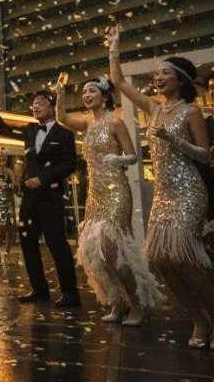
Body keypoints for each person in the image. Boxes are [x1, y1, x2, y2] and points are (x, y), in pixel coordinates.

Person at [108, 27, 214, 348]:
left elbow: (205, 156)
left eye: (165, 72)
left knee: (187, 258)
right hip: (163, 194)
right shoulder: (154, 108)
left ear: (180, 79)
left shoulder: (190, 111)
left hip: (189, 192)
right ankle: (198, 319)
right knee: (161, 258)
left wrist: (176, 140)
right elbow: (120, 83)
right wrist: (114, 48)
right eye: (157, 73)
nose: (158, 77)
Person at [55, 74, 163, 325]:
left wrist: (119, 160)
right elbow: (62, 118)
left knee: (114, 249)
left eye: (92, 90)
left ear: (104, 96)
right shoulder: (87, 124)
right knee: (97, 252)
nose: (86, 95)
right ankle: (119, 301)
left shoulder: (115, 123)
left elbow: (133, 156)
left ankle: (138, 304)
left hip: (116, 192)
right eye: (83, 92)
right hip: (95, 193)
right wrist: (60, 96)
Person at [0, 89, 81, 307]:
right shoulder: (30, 130)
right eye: (33, 104)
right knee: (27, 242)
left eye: (40, 103)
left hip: (51, 195)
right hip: (29, 198)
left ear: (51, 106)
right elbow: (6, 130)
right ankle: (39, 289)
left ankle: (70, 292)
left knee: (56, 243)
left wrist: (44, 178)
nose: (36, 107)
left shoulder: (64, 134)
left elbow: (69, 165)